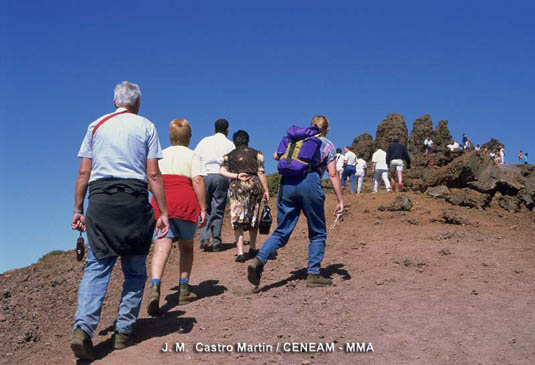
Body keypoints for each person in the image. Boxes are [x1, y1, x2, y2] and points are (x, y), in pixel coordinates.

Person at [70, 81, 169, 360]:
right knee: (135, 269)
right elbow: (153, 175)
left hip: (100, 202)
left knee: (97, 267)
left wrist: (78, 209)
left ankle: (83, 331)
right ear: (137, 104)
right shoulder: (146, 126)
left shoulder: (95, 126)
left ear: (114, 101)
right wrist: (162, 212)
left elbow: (83, 173)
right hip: (134, 201)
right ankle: (124, 331)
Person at [247, 115, 344, 288]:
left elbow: (277, 156)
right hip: (309, 181)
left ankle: (258, 260)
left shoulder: (296, 140)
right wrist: (340, 200)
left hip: (287, 183)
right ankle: (313, 274)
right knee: (317, 231)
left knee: (282, 231)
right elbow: (333, 173)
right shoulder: (327, 145)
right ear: (326, 129)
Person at [146, 119, 207, 316]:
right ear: (189, 137)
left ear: (170, 137)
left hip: (162, 202)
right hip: (185, 202)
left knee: (161, 249)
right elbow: (197, 180)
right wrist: (203, 208)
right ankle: (183, 289)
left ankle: (155, 287)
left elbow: (151, 180)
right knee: (186, 247)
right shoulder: (193, 155)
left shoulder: (159, 154)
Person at [219, 130, 269, 262]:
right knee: (253, 216)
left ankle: (240, 252)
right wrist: (266, 190)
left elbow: (222, 171)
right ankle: (252, 248)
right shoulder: (257, 154)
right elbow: (261, 172)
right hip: (254, 186)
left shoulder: (228, 156)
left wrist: (236, 176)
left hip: (237, 187)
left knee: (237, 218)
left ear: (235, 142)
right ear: (248, 140)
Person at [194, 119, 235, 252]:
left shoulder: (204, 141)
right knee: (218, 208)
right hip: (221, 176)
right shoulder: (230, 144)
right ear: (227, 130)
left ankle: (204, 238)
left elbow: (195, 156)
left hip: (204, 175)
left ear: (214, 128)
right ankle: (216, 241)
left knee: (204, 207)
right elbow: (233, 163)